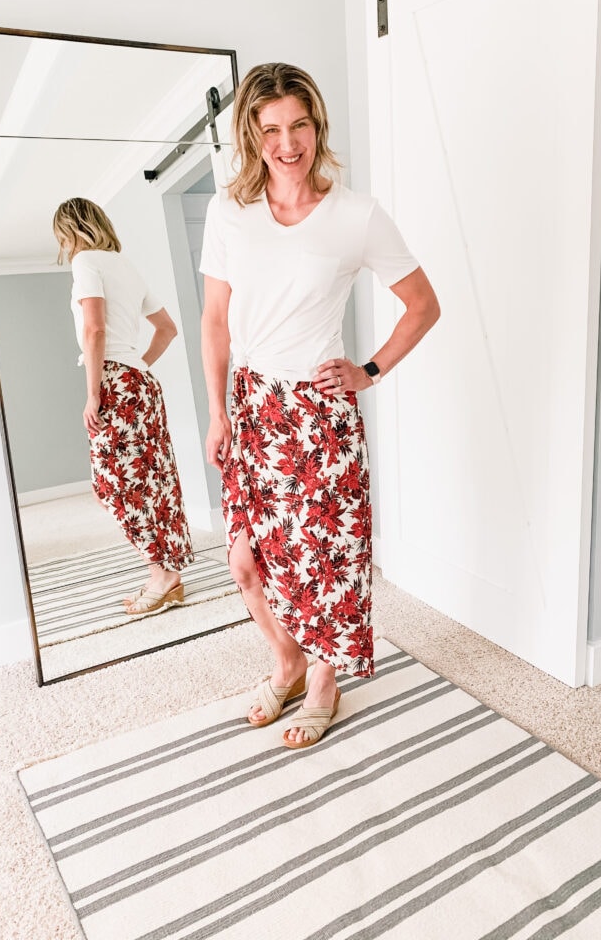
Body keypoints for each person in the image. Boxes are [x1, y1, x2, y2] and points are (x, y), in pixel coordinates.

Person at [200, 63, 439, 749]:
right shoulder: (229, 213)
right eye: (270, 128)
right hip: (252, 410)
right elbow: (216, 321)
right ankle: (288, 661)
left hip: (317, 414)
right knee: (246, 560)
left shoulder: (354, 215)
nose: (287, 143)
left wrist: (368, 370)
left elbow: (423, 306)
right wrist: (218, 412)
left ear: (317, 125)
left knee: (324, 563)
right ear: (251, 133)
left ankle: (326, 683)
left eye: (298, 124)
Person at [53, 197, 195, 616]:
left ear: (69, 231)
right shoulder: (124, 265)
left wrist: (95, 392)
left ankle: (163, 575)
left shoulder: (85, 263)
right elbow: (166, 330)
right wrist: (138, 367)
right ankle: (166, 573)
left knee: (112, 484)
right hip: (142, 383)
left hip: (115, 382)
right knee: (152, 480)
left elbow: (95, 330)